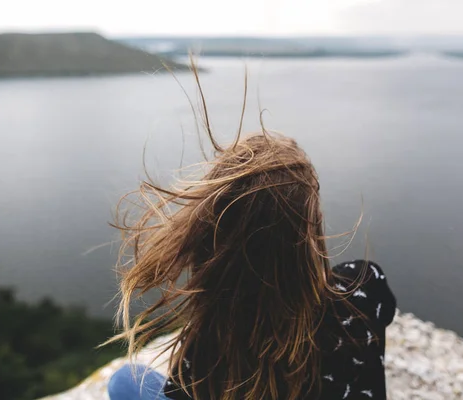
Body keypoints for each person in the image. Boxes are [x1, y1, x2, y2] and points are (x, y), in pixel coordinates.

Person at [107, 73, 397, 400]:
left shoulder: (208, 345)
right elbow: (385, 308)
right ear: (309, 228)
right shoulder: (362, 287)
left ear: (210, 237)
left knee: (124, 381)